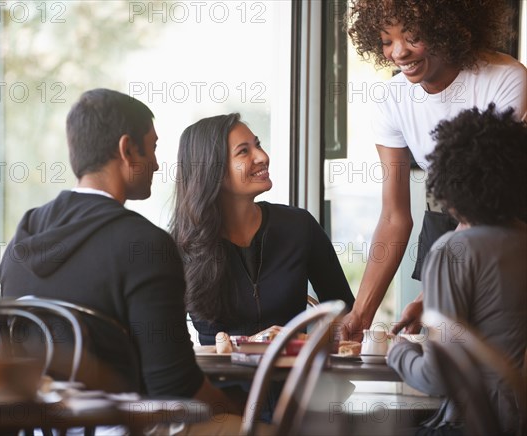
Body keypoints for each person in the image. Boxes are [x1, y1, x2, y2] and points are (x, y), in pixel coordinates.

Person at [0, 89, 249, 434]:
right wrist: (244, 407)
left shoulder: (20, 240)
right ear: (127, 149)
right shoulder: (146, 245)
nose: (158, 164)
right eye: (154, 147)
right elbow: (175, 390)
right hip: (131, 427)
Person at [342, 0, 527, 341]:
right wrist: (360, 314)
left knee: (499, 360)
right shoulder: (392, 100)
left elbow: (488, 203)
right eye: (386, 40)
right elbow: (394, 216)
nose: (398, 52)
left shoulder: (505, 78)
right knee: (440, 367)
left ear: (447, 26)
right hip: (446, 226)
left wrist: (431, 294)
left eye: (412, 36)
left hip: (506, 230)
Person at [387, 104, 527, 435]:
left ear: (448, 181)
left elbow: (438, 378)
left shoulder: (452, 252)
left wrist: (399, 352)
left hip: (478, 423)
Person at [170, 113, 354, 345]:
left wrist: (326, 340)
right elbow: (166, 342)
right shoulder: (179, 245)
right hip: (217, 379)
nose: (262, 157)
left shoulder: (299, 226)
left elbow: (343, 310)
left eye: (257, 145)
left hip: (294, 378)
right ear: (212, 169)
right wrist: (249, 343)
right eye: (244, 151)